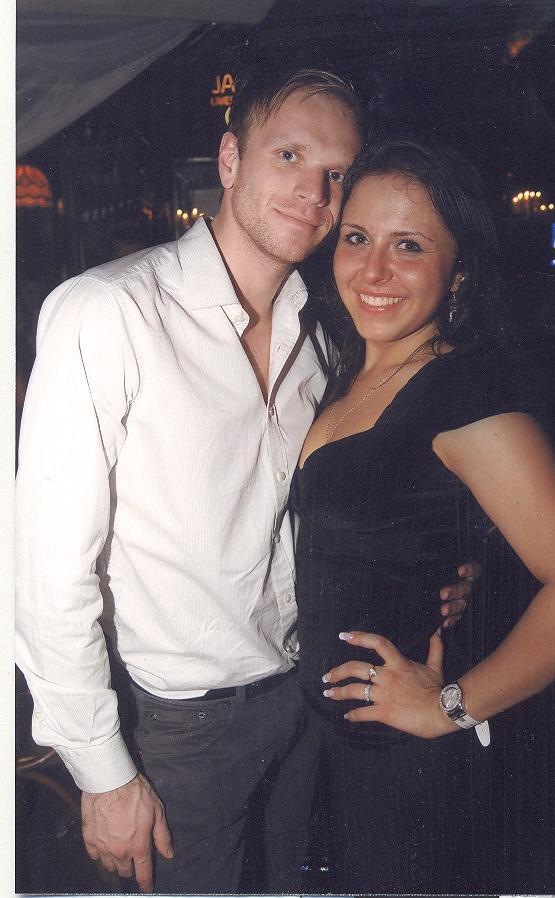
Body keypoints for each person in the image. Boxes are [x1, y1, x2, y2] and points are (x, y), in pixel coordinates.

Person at [15, 70, 474, 895]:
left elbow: (338, 509)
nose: (312, 191)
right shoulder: (108, 311)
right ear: (229, 160)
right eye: (288, 155)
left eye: (336, 173)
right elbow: (46, 570)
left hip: (304, 700)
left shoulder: (327, 331)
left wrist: (439, 571)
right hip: (175, 730)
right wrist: (102, 771)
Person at [291, 137, 555, 893]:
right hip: (333, 752)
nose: (373, 271)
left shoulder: (466, 398)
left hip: (406, 772)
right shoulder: (350, 368)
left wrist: (448, 708)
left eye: (409, 246)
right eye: (357, 238)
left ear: (459, 270)